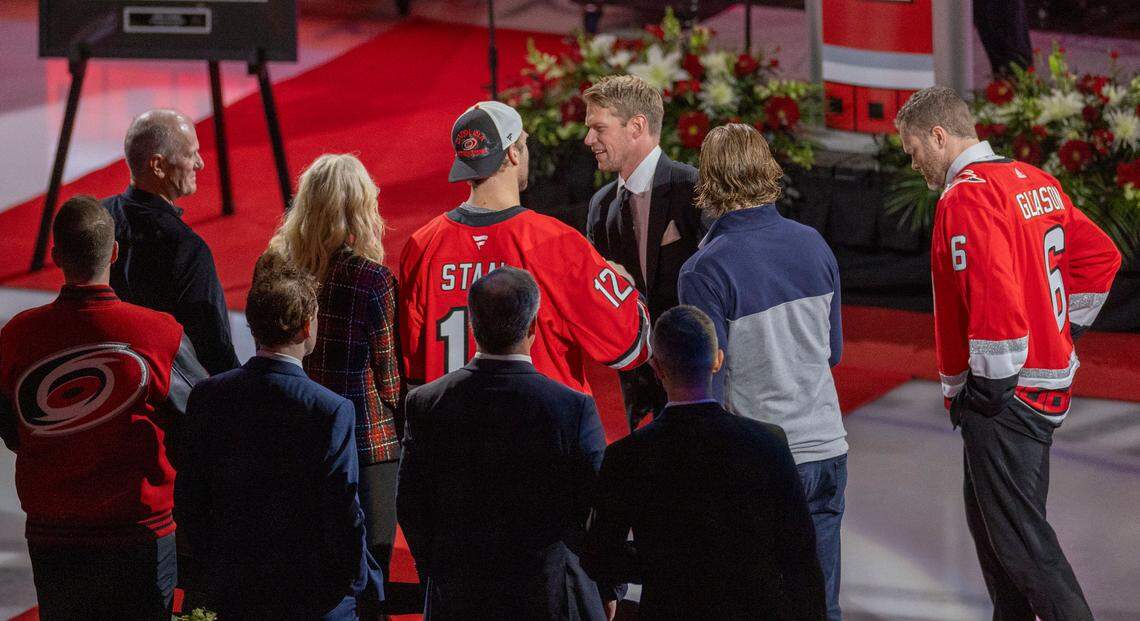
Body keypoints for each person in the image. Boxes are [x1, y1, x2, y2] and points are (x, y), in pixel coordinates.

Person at [895, 86, 1121, 621]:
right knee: (1002, 542)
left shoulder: (968, 195)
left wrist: (990, 387)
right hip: (1042, 386)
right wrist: (1064, 333)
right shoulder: (1035, 180)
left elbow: (993, 293)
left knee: (1021, 547)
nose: (913, 163)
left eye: (913, 150)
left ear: (938, 135)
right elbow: (1101, 258)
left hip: (1007, 396)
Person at [0, 195, 206, 620]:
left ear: (56, 255)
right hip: (140, 533)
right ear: (114, 252)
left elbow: (9, 425)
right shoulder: (159, 333)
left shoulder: (17, 336)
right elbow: (201, 417)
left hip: (52, 534)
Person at [676, 124, 848, 621]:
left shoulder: (704, 269)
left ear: (708, 180)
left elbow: (706, 385)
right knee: (820, 605)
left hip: (758, 460)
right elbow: (832, 352)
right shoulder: (814, 244)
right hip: (827, 451)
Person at [397, 267, 618, 620]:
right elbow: (601, 508)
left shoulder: (426, 404)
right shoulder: (572, 408)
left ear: (473, 325)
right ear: (532, 328)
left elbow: (411, 505)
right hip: (550, 597)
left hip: (460, 598)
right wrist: (607, 587)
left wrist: (438, 573)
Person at [583, 305, 825, 619]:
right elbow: (800, 553)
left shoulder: (628, 456)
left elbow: (600, 556)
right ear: (717, 360)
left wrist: (659, 562)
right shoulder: (768, 444)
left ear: (657, 369)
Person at [174, 256, 382, 620]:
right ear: (306, 327)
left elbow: (191, 497)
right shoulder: (330, 410)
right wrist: (357, 580)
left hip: (235, 590)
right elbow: (344, 512)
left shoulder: (209, 396)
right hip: (314, 599)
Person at [398, 100, 649, 392]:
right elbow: (631, 344)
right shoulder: (556, 243)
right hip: (540, 432)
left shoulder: (422, 245)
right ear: (513, 153)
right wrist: (622, 283)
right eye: (525, 144)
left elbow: (412, 371)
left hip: (451, 430)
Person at [269, 153, 404, 593]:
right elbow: (389, 377)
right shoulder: (373, 279)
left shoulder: (274, 268)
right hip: (367, 440)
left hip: (293, 431)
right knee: (370, 567)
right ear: (361, 208)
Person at [584, 75, 705, 431]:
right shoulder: (601, 205)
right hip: (635, 383)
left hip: (694, 378)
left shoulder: (692, 189)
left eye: (598, 128)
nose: (588, 139)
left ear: (636, 126)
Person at [102, 108, 239, 376]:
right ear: (158, 165)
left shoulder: (98, 219)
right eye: (190, 154)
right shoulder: (187, 248)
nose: (200, 163)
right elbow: (214, 347)